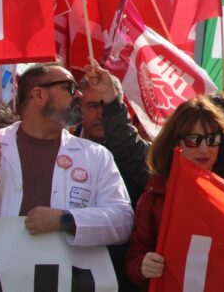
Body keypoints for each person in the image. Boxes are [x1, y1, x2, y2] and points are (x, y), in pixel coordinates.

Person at [0, 63, 133, 246]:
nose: (79, 95)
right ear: (39, 95)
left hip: (65, 272)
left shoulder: (95, 155)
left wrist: (64, 220)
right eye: (69, 88)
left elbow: (122, 221)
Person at [125, 96, 224, 289]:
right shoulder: (156, 194)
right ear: (174, 143)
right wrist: (142, 265)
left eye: (212, 139)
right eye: (193, 140)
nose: (204, 149)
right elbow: (133, 259)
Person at [80, 62, 151, 292]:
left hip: (124, 275)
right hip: (76, 269)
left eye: (107, 105)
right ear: (79, 108)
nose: (101, 113)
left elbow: (131, 152)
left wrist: (113, 107)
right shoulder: (61, 151)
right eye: (92, 105)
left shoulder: (141, 153)